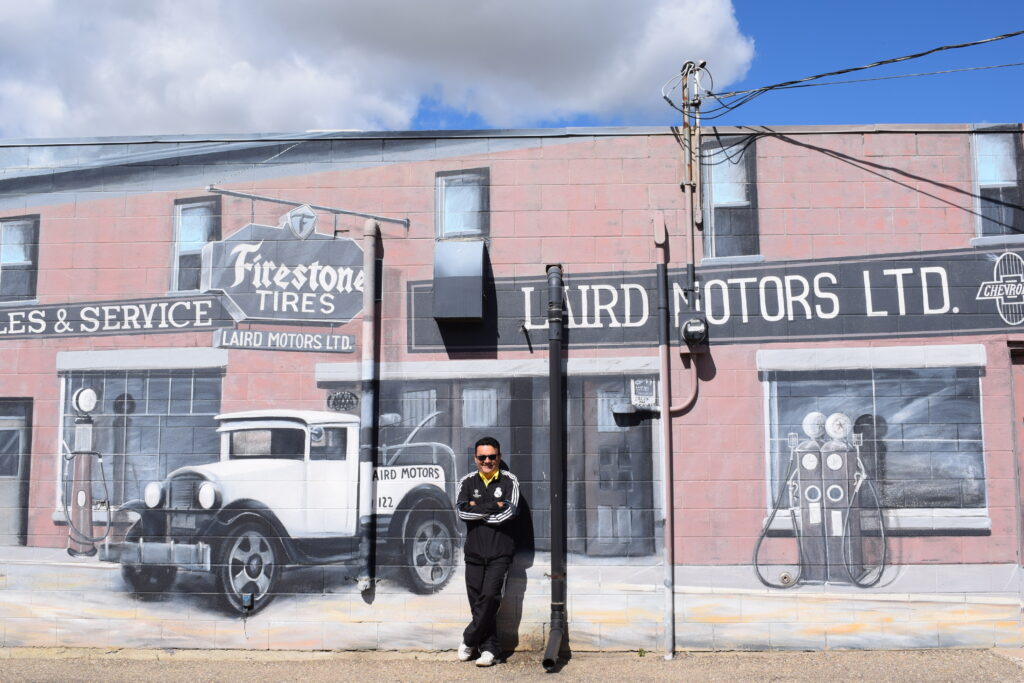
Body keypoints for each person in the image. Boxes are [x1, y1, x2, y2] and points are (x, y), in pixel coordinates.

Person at [455, 436, 520, 667]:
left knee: (490, 598)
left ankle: (469, 638)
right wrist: (494, 505)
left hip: (499, 553)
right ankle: (490, 650)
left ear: (499, 457)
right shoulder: (467, 482)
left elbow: (508, 514)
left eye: (492, 456)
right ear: (475, 459)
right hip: (473, 553)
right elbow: (462, 513)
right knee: (477, 603)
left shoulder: (509, 480)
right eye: (482, 457)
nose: (487, 461)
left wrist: (477, 507)